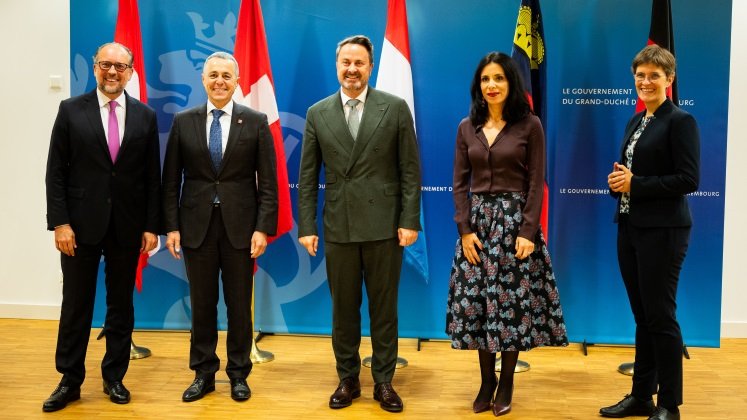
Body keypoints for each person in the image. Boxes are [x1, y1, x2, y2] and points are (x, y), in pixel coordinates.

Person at [297, 35, 421, 413]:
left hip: (385, 226)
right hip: (339, 225)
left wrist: (409, 219)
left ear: (370, 67)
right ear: (338, 67)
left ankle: (383, 381)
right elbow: (307, 177)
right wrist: (307, 226)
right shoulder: (317, 112)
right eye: (346, 63)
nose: (352, 69)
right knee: (343, 310)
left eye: (359, 63)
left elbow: (410, 171)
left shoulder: (395, 108)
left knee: (384, 308)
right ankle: (347, 377)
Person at [445, 52, 568, 417]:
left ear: (511, 83)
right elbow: (458, 183)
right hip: (479, 227)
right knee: (480, 306)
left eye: (499, 78)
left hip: (516, 225)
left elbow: (535, 182)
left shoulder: (530, 125)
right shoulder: (466, 127)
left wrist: (529, 230)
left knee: (512, 308)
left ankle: (508, 381)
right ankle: (486, 381)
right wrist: (465, 231)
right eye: (485, 79)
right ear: (478, 86)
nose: (492, 85)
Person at [43, 42, 161, 412]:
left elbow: (150, 179)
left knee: (120, 306)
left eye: (120, 66)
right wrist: (60, 222)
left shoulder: (145, 116)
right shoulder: (70, 111)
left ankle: (114, 377)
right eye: (105, 65)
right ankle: (70, 380)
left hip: (127, 227)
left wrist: (151, 226)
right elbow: (55, 174)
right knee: (76, 304)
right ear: (95, 68)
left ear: (130, 72)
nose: (112, 72)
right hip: (78, 228)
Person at [161, 51, 278, 403]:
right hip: (196, 227)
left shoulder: (255, 121)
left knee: (240, 305)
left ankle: (239, 373)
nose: (220, 81)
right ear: (203, 80)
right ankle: (204, 373)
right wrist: (172, 227)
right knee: (202, 304)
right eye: (213, 75)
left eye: (227, 75)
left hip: (241, 229)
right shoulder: (184, 121)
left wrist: (262, 228)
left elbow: (269, 183)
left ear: (237, 81)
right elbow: (170, 181)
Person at [601, 45, 699, 420]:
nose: (645, 81)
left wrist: (636, 184)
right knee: (643, 317)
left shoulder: (681, 121)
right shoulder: (636, 121)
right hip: (630, 227)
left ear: (669, 80)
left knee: (661, 317)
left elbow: (688, 179)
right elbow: (631, 178)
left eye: (654, 75)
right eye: (640, 75)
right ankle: (641, 396)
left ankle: (669, 405)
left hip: (665, 232)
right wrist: (619, 183)